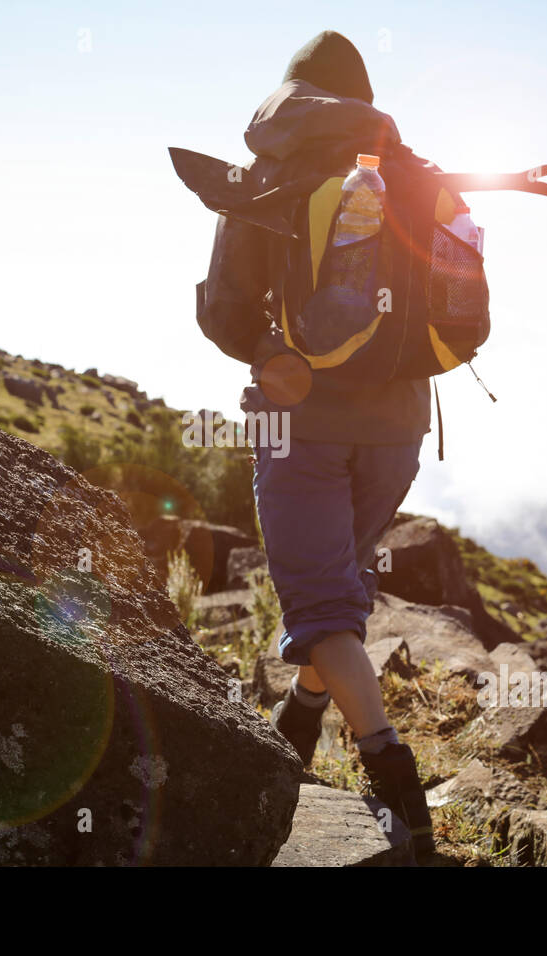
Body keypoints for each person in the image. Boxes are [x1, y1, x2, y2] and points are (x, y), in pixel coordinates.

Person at [198, 29, 437, 860]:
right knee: (332, 586)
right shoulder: (408, 172)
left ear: (291, 95)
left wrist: (271, 354)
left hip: (301, 423)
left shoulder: (272, 174)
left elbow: (225, 313)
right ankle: (298, 720)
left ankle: (395, 780)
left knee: (322, 604)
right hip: (403, 426)